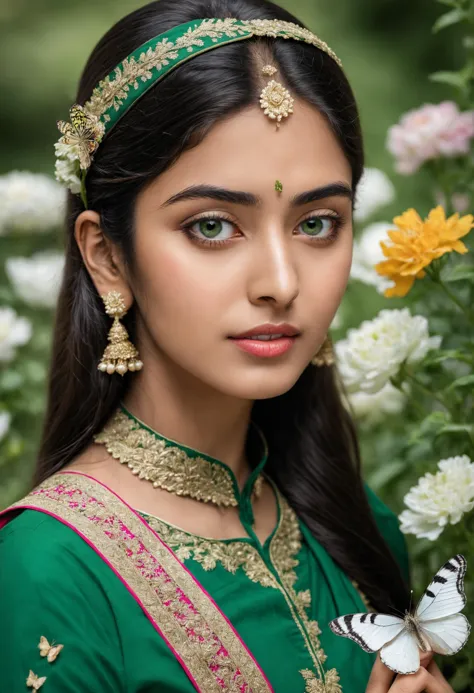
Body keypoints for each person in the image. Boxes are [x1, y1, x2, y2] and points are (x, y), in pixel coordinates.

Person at [0, 1, 455, 691]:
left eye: (318, 222)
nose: (280, 281)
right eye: (212, 226)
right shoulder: (51, 569)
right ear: (107, 256)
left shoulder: (354, 528)